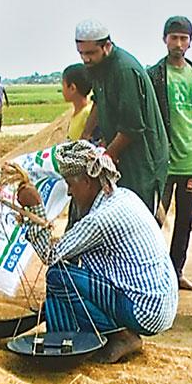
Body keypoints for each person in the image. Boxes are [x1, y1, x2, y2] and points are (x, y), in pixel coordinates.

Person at [15, 140, 178, 364]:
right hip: (160, 304)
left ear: (87, 182)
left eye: (71, 185)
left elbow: (51, 255)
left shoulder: (101, 219)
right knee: (68, 276)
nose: (70, 193)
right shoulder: (124, 196)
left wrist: (34, 208)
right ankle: (105, 333)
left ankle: (120, 335)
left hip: (144, 310)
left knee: (58, 276)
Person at [147, 16, 192, 291]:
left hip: (191, 163)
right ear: (164, 39)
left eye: (183, 38)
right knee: (155, 221)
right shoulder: (153, 75)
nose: (178, 43)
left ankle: (176, 272)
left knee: (185, 223)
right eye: (173, 37)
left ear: (190, 42)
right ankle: (152, 274)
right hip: (163, 164)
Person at [75, 19, 169, 221]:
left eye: (91, 53)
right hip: (123, 157)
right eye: (81, 54)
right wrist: (85, 137)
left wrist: (109, 154)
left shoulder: (124, 70)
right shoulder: (99, 69)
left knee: (138, 220)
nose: (86, 59)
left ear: (106, 46)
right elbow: (98, 103)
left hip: (142, 161)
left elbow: (132, 127)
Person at [62, 63, 93, 141]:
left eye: (63, 85)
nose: (62, 90)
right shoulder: (77, 112)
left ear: (72, 88)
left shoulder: (87, 114)